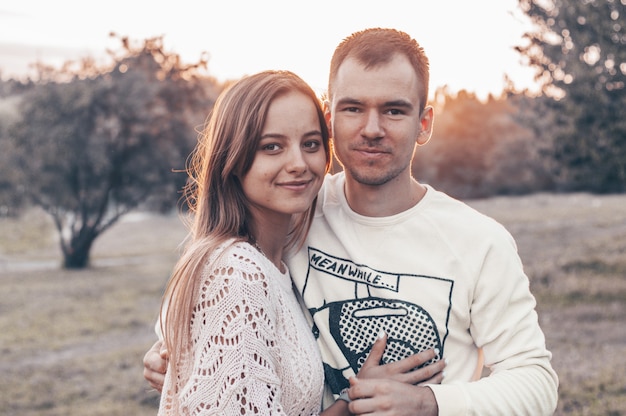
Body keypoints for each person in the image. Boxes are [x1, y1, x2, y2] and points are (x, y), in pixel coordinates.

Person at [146, 28, 558, 415]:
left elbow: (536, 381)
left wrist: (429, 403)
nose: (372, 129)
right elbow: (217, 275)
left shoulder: (479, 242)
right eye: (353, 108)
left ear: (424, 123)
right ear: (329, 119)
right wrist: (172, 347)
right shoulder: (294, 205)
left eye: (394, 110)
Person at [153, 69, 445, 415]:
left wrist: (355, 401)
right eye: (271, 147)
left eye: (310, 144)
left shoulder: (276, 261)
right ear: (231, 158)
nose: (298, 164)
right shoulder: (238, 273)